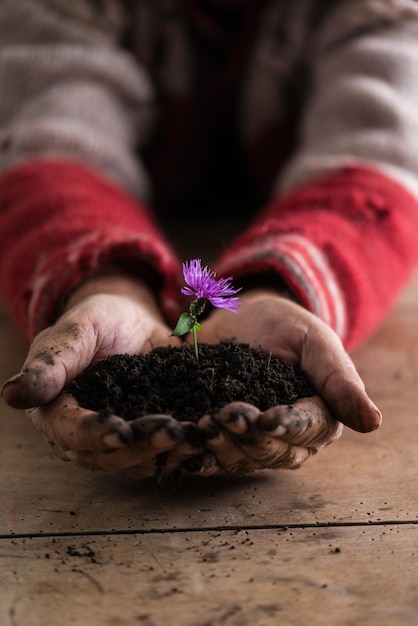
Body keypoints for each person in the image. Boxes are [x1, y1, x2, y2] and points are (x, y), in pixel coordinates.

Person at [1, 0, 417, 478]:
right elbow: (47, 145)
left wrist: (278, 288)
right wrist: (106, 279)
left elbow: (380, 169)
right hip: (121, 218)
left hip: (281, 224)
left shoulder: (380, 10)